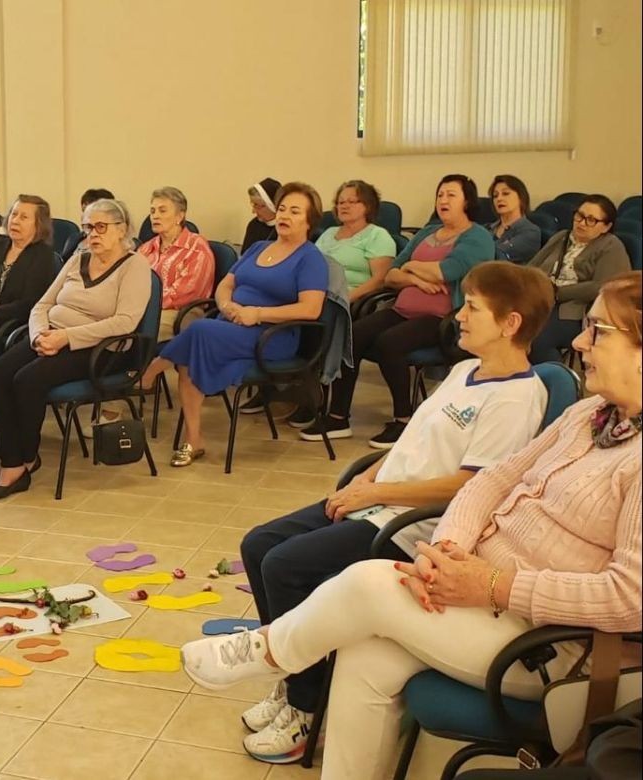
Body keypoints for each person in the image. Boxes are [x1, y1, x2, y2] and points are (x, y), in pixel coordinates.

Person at [179, 271, 642, 780]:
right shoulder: (588, 416)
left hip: (552, 645)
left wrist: (493, 584)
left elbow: (628, 598)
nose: (578, 340)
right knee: (364, 656)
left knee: (367, 581)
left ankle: (270, 651)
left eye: (598, 330)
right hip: (480, 598)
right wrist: (446, 549)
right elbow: (493, 481)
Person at [234, 261, 554, 765]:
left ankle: (304, 709)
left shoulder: (516, 397)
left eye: (472, 307)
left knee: (286, 566)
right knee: (258, 545)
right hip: (380, 499)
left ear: (511, 323)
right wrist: (370, 477)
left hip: (414, 525)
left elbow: (469, 486)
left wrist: (375, 496)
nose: (459, 315)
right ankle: (299, 676)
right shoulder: (462, 370)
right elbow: (414, 439)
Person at [301, 174, 495, 449]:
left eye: (451, 195)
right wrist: (414, 276)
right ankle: (338, 417)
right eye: (440, 194)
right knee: (352, 335)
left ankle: (405, 419)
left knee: (390, 343)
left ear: (468, 201)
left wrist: (411, 267)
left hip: (443, 318)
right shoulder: (427, 234)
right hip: (403, 308)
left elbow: (447, 271)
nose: (443, 200)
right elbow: (392, 275)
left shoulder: (477, 237)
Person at [141, 183, 328, 467]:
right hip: (231, 324)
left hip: (272, 335)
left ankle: (152, 370)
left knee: (200, 330)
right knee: (194, 352)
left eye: (294, 211)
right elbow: (226, 284)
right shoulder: (259, 247)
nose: (284, 216)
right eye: (281, 209)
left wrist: (258, 314)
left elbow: (311, 309)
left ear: (309, 220)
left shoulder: (310, 258)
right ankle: (194, 438)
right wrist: (228, 306)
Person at [0, 198, 150, 500]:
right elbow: (43, 304)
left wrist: (66, 338)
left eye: (101, 227)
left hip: (103, 349)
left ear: (122, 228)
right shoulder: (77, 258)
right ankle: (15, 460)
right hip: (50, 334)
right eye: (88, 227)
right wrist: (37, 336)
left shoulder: (135, 265)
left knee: (27, 380)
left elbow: (125, 322)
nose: (93, 234)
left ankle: (22, 462)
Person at [528, 194, 631, 363]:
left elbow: (603, 286)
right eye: (580, 216)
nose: (582, 223)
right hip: (540, 301)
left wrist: (558, 292)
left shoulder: (611, 246)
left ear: (606, 226)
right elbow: (532, 266)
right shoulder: (561, 237)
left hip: (575, 311)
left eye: (591, 220)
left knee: (538, 338)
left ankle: (556, 380)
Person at [0, 194, 57, 353]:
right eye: (14, 214)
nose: (15, 220)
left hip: (2, 327)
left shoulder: (42, 256)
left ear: (38, 225)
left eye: (24, 217)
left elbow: (28, 305)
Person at [137, 186, 215, 342]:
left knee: (134, 332)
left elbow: (184, 293)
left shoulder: (196, 246)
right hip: (144, 308)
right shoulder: (146, 248)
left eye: (162, 211)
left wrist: (143, 305)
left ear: (180, 216)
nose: (155, 216)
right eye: (152, 211)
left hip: (180, 312)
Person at [314, 180, 396, 302]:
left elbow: (380, 280)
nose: (344, 206)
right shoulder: (329, 233)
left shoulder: (377, 236)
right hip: (314, 294)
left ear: (368, 206)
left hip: (348, 300)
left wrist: (343, 299)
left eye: (351, 201)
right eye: (340, 202)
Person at [486, 174, 542, 264]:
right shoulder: (486, 228)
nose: (499, 199)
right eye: (495, 196)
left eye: (506, 193)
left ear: (521, 197)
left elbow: (496, 256)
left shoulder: (531, 232)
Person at [61, 188, 115, 260]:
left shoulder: (116, 244)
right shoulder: (74, 239)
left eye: (91, 212)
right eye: (84, 211)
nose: (85, 217)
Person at [241, 178, 282, 252]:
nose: (253, 211)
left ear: (273, 206)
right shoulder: (254, 225)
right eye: (253, 204)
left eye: (257, 205)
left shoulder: (285, 229)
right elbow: (245, 257)